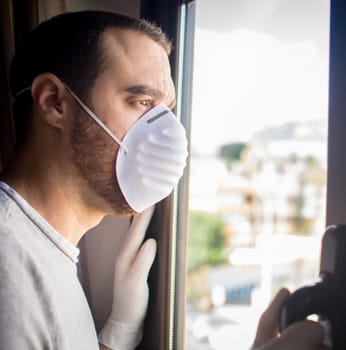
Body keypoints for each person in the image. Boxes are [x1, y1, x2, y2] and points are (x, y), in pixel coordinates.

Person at [0, 10, 326, 350]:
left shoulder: (43, 250)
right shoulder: (9, 268)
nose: (166, 132)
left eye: (165, 111)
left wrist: (119, 331)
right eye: (141, 102)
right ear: (54, 103)